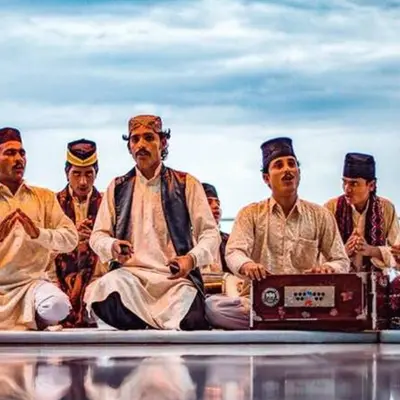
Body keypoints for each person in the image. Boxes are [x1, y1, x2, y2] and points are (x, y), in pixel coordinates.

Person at [84, 115, 220, 330]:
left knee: (190, 317)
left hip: (174, 281)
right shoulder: (117, 187)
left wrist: (191, 260)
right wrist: (112, 246)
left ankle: (144, 322)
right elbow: (98, 236)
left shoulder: (186, 183)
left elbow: (210, 233)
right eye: (135, 140)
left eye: (149, 138)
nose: (141, 145)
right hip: (131, 278)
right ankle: (151, 323)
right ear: (129, 146)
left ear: (162, 142)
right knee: (104, 291)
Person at [206, 137, 350, 330]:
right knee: (213, 307)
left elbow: (341, 260)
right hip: (262, 301)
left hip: (307, 300)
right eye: (278, 165)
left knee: (347, 305)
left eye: (292, 164)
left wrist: (329, 268)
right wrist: (247, 265)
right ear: (266, 178)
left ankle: (278, 322)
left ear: (299, 173)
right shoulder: (250, 214)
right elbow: (233, 252)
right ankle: (289, 322)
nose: (287, 170)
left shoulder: (320, 215)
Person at [0, 127, 78, 330]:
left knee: (58, 307)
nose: (19, 159)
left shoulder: (43, 197)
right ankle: (31, 321)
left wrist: (39, 233)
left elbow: (71, 239)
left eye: (22, 153)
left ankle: (33, 316)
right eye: (9, 153)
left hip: (31, 285)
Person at [51, 139, 105, 328]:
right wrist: (69, 237)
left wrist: (97, 239)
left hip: (97, 279)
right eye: (77, 174)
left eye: (89, 174)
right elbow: (41, 249)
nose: (83, 181)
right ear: (67, 173)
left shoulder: (107, 204)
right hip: (57, 279)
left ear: (96, 173)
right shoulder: (52, 203)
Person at [325, 153, 400, 272]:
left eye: (354, 184)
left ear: (371, 185)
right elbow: (319, 257)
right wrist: (343, 252)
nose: (347, 189)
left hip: (377, 284)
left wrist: (370, 250)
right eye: (344, 182)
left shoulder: (386, 208)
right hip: (341, 284)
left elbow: (397, 256)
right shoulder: (331, 208)